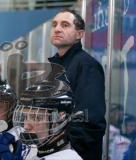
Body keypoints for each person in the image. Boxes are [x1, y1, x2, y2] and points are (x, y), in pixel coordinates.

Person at [47, 9, 106, 160]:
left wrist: (63, 145)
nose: (57, 29)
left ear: (79, 34)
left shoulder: (86, 65)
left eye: (65, 25)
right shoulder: (54, 67)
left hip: (74, 153)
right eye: (54, 25)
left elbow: (89, 118)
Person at [0, 80, 83, 160]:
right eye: (25, 117)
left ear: (60, 118)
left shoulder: (68, 158)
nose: (26, 126)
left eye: (36, 118)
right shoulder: (31, 152)